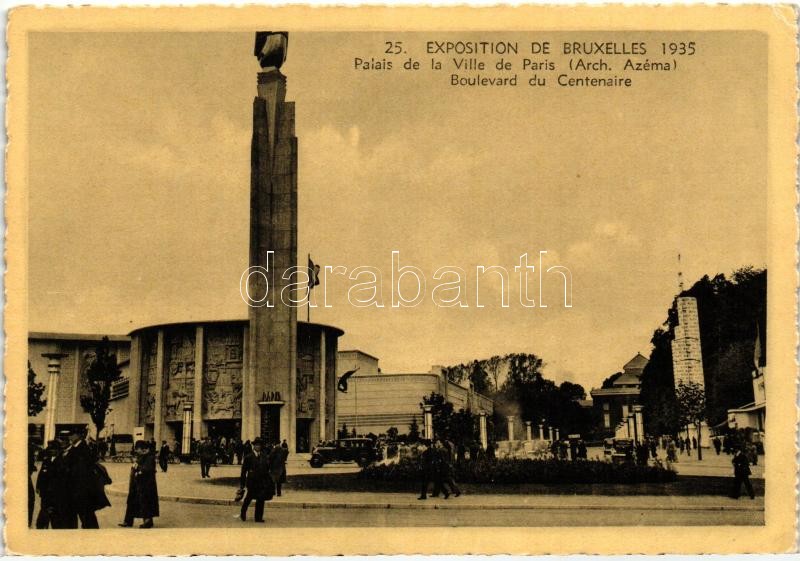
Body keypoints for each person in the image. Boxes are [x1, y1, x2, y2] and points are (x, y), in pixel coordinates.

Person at [62, 427, 110, 528]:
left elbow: (81, 470)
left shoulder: (83, 448)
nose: (69, 436)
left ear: (79, 435)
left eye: (72, 434)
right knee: (83, 515)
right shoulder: (74, 447)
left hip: (82, 489)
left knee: (86, 515)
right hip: (76, 489)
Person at [119, 440, 159, 528]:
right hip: (137, 483)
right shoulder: (141, 456)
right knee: (132, 501)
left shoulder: (150, 457)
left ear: (143, 449)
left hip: (146, 485)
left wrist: (138, 469)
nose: (136, 451)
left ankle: (148, 521)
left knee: (145, 502)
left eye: (138, 449)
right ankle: (128, 521)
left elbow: (148, 469)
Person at [239, 438, 273, 522]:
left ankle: (258, 518)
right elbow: (243, 472)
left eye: (259, 445)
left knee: (261, 499)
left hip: (262, 482)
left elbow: (267, 468)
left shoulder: (264, 456)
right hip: (252, 482)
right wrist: (242, 484)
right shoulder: (248, 457)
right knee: (248, 498)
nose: (258, 447)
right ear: (253, 446)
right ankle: (243, 512)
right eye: (256, 445)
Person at [35, 440, 64, 529]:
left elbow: (61, 480)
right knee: (43, 517)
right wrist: (38, 486)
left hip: (55, 495)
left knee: (55, 518)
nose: (51, 451)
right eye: (50, 449)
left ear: (58, 450)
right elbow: (41, 475)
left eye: (54, 449)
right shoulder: (46, 460)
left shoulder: (62, 461)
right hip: (45, 494)